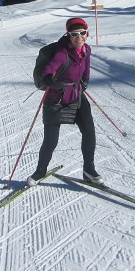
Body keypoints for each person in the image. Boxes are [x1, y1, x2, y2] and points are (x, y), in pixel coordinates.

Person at [27, 17, 103, 186]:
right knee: (51, 140)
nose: (79, 37)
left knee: (89, 131)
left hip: (76, 96)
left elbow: (86, 66)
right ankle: (40, 171)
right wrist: (47, 76)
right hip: (56, 99)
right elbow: (52, 66)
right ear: (68, 35)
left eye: (82, 33)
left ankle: (89, 170)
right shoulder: (62, 52)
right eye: (74, 34)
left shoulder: (86, 49)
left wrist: (85, 81)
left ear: (87, 33)